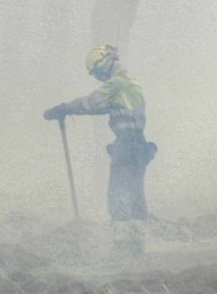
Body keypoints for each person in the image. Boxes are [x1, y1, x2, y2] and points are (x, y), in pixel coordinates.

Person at [44, 44, 156, 222]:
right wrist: (69, 111)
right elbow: (103, 107)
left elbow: (91, 103)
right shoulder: (130, 82)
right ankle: (135, 243)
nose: (97, 77)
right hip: (139, 145)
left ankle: (121, 243)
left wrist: (64, 108)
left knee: (117, 198)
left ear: (104, 63)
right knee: (135, 198)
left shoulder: (117, 83)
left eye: (96, 71)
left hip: (126, 144)